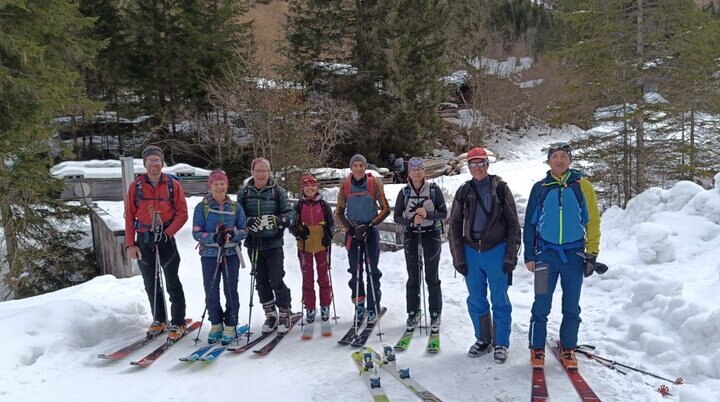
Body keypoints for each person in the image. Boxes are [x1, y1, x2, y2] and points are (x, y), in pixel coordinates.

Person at [524, 142, 600, 370]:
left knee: (571, 306)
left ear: (570, 160)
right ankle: (536, 348)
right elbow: (529, 223)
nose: (559, 160)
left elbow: (592, 221)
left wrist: (592, 253)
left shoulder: (582, 186)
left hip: (574, 255)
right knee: (541, 304)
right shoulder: (540, 187)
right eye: (555, 156)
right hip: (546, 254)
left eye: (563, 156)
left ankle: (568, 347)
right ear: (548, 161)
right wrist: (530, 254)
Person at [448, 147, 521, 363]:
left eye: (481, 163)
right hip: (471, 252)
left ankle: (500, 342)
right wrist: (458, 257)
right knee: (476, 299)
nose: (477, 168)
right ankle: (483, 340)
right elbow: (453, 226)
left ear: (487, 165)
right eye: (473, 164)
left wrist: (510, 255)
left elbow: (513, 225)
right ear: (468, 167)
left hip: (496, 250)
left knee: (500, 299)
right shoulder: (463, 191)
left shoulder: (501, 189)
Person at [124, 145, 188, 341]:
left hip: (166, 238)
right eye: (150, 160)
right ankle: (159, 319)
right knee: (151, 283)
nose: (154, 164)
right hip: (144, 239)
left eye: (157, 160)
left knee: (171, 281)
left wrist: (168, 233)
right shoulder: (136, 186)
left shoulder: (173, 185)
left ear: (162, 163)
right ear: (145, 164)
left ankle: (178, 320)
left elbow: (182, 213)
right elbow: (129, 216)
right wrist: (130, 244)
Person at [238, 158, 296, 333]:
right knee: (261, 280)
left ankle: (285, 310)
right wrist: (248, 222)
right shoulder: (244, 193)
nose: (261, 174)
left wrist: (278, 220)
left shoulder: (278, 191)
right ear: (252, 172)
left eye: (265, 170)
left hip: (273, 242)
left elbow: (290, 214)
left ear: (269, 172)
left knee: (276, 278)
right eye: (258, 170)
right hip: (254, 243)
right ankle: (270, 314)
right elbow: (238, 216)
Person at [191, 170, 247, 345]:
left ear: (227, 185)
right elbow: (196, 232)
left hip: (231, 254)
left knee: (230, 289)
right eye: (216, 184)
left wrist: (232, 234)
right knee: (211, 289)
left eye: (222, 183)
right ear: (211, 185)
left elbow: (244, 230)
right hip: (209, 254)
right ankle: (216, 324)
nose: (220, 187)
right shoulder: (203, 207)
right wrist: (214, 238)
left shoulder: (235, 207)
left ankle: (230, 324)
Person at [393, 157, 447, 332]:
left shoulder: (433, 189)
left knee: (432, 276)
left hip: (431, 234)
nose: (416, 172)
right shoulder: (404, 192)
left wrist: (427, 215)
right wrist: (410, 221)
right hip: (412, 235)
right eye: (413, 169)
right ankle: (413, 312)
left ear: (424, 171)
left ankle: (435, 312)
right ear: (408, 172)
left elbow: (443, 213)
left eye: (419, 169)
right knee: (413, 276)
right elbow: (397, 217)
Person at [336, 154, 390, 325]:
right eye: (355, 165)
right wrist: (351, 229)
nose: (359, 168)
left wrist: (370, 225)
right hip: (353, 234)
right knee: (355, 271)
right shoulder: (345, 186)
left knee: (372, 270)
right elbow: (338, 212)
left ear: (365, 167)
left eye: (361, 165)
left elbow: (385, 208)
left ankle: (373, 307)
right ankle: (359, 307)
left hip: (370, 232)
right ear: (351, 167)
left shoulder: (374, 183)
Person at [289, 174, 335, 332]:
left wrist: (329, 236)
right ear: (302, 188)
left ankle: (325, 305)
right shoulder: (298, 206)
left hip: (321, 244)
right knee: (307, 277)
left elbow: (331, 223)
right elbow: (291, 224)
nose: (310, 188)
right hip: (305, 244)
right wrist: (298, 233)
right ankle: (309, 307)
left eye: (313, 185)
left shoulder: (323, 204)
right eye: (307, 185)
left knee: (323, 276)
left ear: (316, 187)